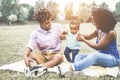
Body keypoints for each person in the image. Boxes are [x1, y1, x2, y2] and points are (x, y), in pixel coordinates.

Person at [59, 8, 120, 76]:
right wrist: (75, 34)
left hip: (113, 59)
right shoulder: (98, 30)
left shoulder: (110, 33)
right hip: (101, 58)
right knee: (79, 56)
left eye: (94, 21)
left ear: (101, 21)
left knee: (94, 55)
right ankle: (77, 70)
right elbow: (88, 36)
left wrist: (84, 40)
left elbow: (98, 47)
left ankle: (72, 68)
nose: (92, 23)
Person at [23, 8, 64, 77]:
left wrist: (64, 36)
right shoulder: (36, 33)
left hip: (55, 54)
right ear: (40, 24)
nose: (50, 24)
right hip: (43, 54)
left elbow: (64, 35)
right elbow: (30, 44)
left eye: (50, 21)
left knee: (59, 57)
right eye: (47, 23)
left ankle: (38, 68)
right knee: (30, 56)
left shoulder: (57, 27)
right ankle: (37, 68)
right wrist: (25, 56)